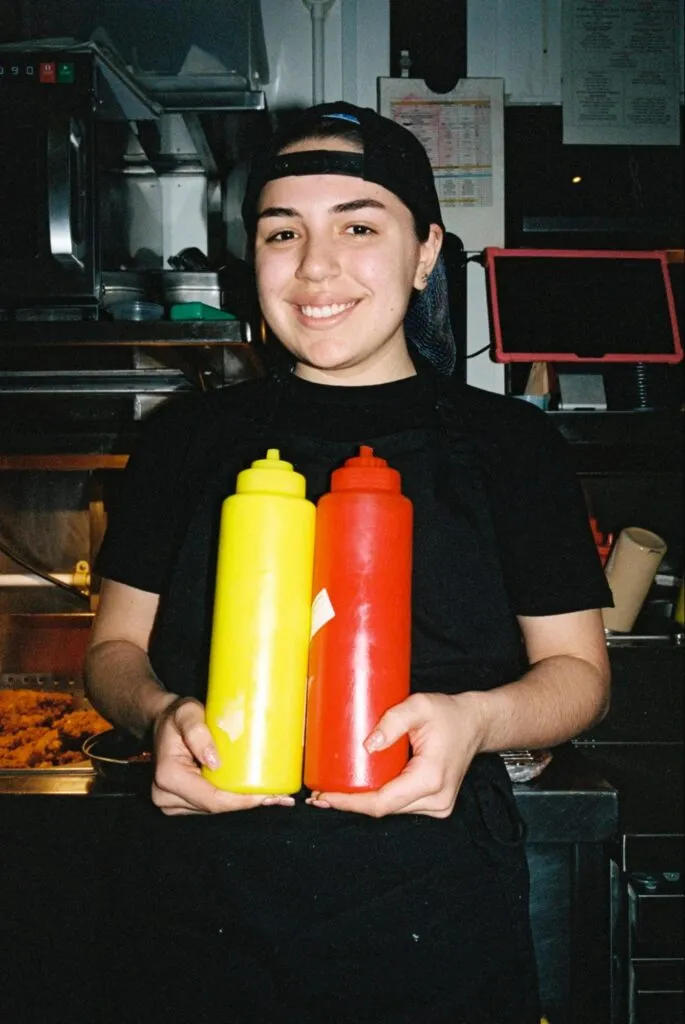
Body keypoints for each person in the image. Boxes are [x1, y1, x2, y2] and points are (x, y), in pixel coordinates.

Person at [85, 101, 612, 1023]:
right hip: (199, 907)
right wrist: (160, 712)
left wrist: (478, 718)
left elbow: (579, 675)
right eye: (281, 232)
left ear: (422, 253)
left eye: (358, 228)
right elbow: (111, 653)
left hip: (430, 908)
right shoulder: (184, 441)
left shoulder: (507, 448)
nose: (315, 267)